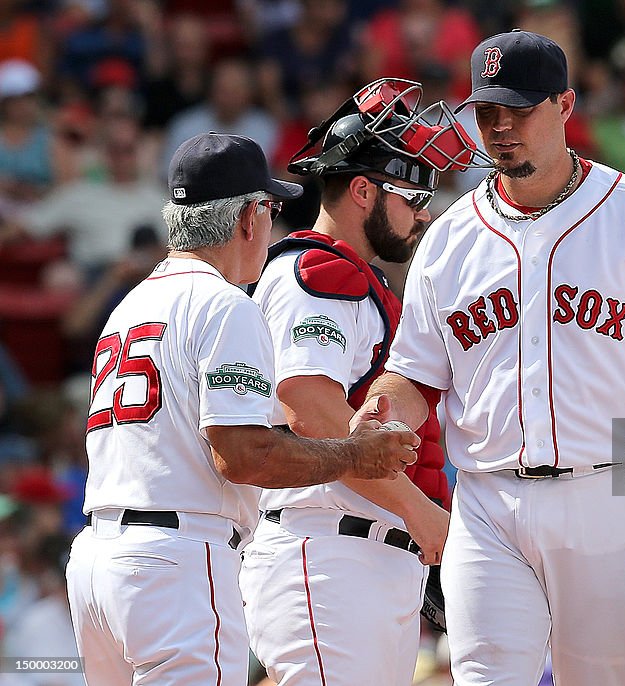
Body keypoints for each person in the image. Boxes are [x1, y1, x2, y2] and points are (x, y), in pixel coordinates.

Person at [353, 29, 625, 686]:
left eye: (519, 109)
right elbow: (415, 374)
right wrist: (382, 407)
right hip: (488, 505)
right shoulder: (452, 236)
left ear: (566, 106)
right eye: (488, 112)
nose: (501, 126)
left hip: (612, 493)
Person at [65, 132, 420, 686]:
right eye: (270, 207)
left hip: (97, 561)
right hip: (174, 558)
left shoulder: (130, 304)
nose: (274, 223)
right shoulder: (223, 303)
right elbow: (245, 456)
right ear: (250, 218)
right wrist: (354, 453)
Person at [238, 78, 487, 686]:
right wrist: (420, 511)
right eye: (411, 195)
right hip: (328, 551)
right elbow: (313, 415)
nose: (422, 213)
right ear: (361, 190)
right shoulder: (319, 273)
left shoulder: (352, 277)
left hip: (361, 555)